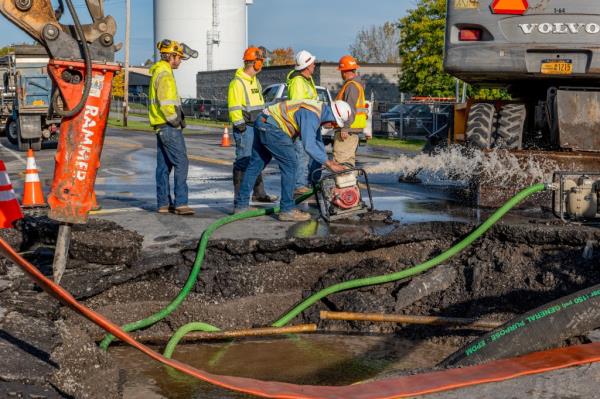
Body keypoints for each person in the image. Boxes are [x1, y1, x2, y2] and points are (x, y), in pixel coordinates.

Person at [234, 99, 352, 222]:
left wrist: (330, 162)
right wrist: (328, 164)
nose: (332, 126)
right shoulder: (312, 115)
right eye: (334, 123)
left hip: (263, 121)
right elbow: (309, 146)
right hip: (272, 127)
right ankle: (287, 210)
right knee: (290, 165)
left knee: (256, 164)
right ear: (331, 115)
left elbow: (317, 141)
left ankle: (241, 206)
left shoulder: (318, 111)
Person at [149, 39, 197, 215]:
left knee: (163, 166)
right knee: (181, 162)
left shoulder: (158, 72)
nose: (180, 61)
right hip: (168, 126)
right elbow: (166, 104)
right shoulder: (165, 75)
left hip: (159, 126)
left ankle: (163, 203)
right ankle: (181, 203)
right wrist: (176, 120)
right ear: (172, 56)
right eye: (179, 58)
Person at [227, 47, 277, 204]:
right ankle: (239, 198)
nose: (262, 65)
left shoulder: (255, 81)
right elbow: (234, 106)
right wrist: (240, 125)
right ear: (254, 63)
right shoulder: (237, 82)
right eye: (260, 62)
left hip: (256, 126)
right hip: (245, 128)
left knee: (257, 159)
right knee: (243, 160)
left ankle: (259, 193)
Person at [286, 50, 318, 197]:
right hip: (303, 125)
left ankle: (312, 181)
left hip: (311, 124)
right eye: (313, 63)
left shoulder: (307, 79)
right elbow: (297, 106)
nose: (315, 66)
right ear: (306, 66)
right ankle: (299, 185)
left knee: (313, 154)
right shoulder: (298, 82)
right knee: (302, 155)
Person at [334, 55, 369, 166]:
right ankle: (349, 183)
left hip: (348, 131)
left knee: (342, 161)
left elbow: (350, 109)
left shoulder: (351, 86)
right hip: (352, 130)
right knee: (347, 161)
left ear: (344, 71)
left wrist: (345, 128)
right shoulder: (356, 85)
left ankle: (345, 183)